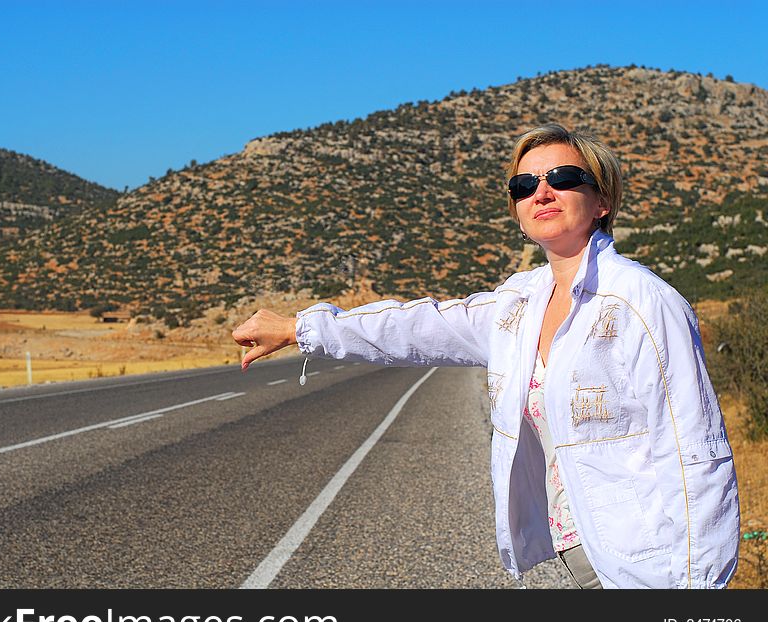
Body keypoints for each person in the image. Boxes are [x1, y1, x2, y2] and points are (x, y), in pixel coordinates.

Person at [231, 124, 740, 589]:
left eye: (562, 177)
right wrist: (301, 328)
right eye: (524, 186)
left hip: (652, 567)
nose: (541, 192)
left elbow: (696, 453)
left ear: (602, 199)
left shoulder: (642, 303)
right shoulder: (518, 304)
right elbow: (417, 324)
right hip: (578, 553)